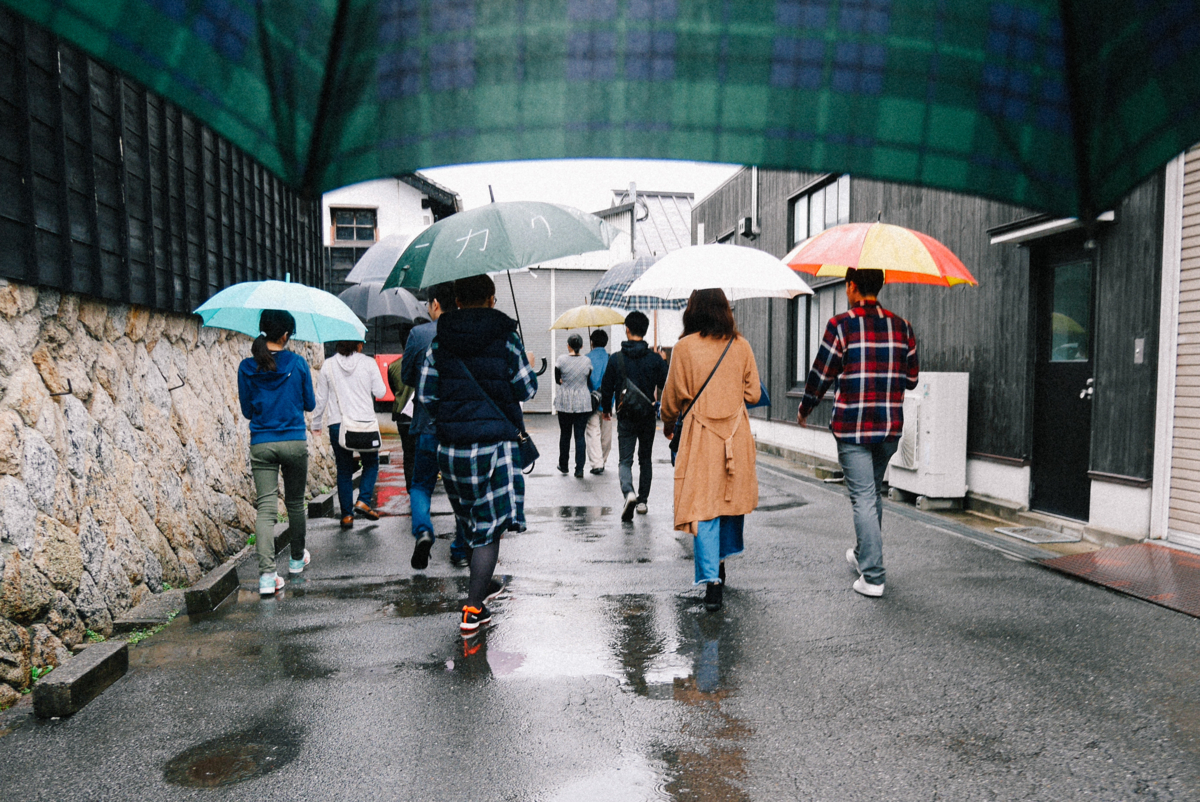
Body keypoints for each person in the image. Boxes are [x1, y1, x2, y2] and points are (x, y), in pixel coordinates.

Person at [416, 274, 537, 633]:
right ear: (491, 299)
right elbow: (526, 388)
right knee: (487, 529)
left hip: (452, 447)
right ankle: (472, 608)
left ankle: (481, 586)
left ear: (454, 299)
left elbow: (426, 394)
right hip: (495, 445)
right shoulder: (506, 337)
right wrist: (525, 361)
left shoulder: (440, 341)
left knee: (469, 523)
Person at [797, 268, 919, 598]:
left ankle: (874, 576)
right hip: (889, 429)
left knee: (863, 496)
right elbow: (912, 380)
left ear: (851, 286)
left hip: (853, 428)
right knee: (871, 493)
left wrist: (805, 407)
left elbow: (821, 374)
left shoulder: (841, 325)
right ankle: (863, 555)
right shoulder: (902, 326)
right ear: (880, 286)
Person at [660, 289, 761, 613]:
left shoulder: (684, 348)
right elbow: (754, 394)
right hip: (734, 434)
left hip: (700, 435)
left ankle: (712, 582)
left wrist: (667, 421)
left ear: (692, 312)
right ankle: (720, 564)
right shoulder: (741, 346)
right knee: (727, 501)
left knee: (703, 505)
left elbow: (672, 398)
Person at [236, 309, 315, 597]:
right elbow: (310, 404)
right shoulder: (298, 363)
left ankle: (268, 576)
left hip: (262, 443)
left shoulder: (246, 366)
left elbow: (247, 411)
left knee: (266, 509)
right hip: (294, 440)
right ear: (285, 335)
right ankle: (296, 560)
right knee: (295, 502)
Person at [401, 282, 472, 570]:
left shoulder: (418, 334)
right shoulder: (467, 333)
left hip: (427, 424)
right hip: (459, 426)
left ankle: (424, 530)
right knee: (460, 490)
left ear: (434, 304)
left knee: (420, 485)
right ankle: (459, 549)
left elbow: (407, 377)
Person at [311, 339, 387, 529]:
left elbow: (320, 399)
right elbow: (380, 391)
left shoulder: (328, 365)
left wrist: (316, 424)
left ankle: (346, 516)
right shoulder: (368, 363)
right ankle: (363, 500)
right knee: (371, 463)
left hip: (339, 424)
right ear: (359, 345)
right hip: (365, 424)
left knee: (344, 470)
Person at [600, 310, 668, 522]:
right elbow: (665, 384)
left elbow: (606, 387)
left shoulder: (616, 358)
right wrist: (663, 361)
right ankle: (642, 502)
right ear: (645, 331)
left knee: (625, 460)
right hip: (647, 415)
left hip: (626, 415)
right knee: (645, 459)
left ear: (627, 330)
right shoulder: (655, 360)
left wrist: (606, 409)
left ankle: (628, 492)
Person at [554, 333, 592, 478]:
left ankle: (564, 465)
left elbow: (557, 379)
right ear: (581, 346)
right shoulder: (587, 361)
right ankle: (579, 469)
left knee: (565, 434)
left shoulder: (561, 360)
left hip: (565, 401)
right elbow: (587, 378)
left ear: (568, 345)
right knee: (580, 435)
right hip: (582, 400)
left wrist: (564, 381)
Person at [387, 350, 416, 494]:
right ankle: (420, 486)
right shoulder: (422, 362)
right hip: (419, 413)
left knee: (408, 453)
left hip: (401, 414)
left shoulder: (393, 366)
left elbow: (393, 389)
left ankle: (410, 487)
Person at [584, 329, 613, 474]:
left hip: (591, 401)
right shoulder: (610, 358)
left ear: (592, 342)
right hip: (608, 401)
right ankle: (603, 459)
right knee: (606, 433)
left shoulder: (586, 358)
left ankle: (597, 463)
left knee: (592, 431)